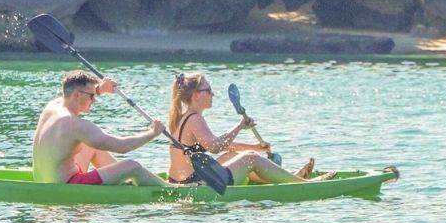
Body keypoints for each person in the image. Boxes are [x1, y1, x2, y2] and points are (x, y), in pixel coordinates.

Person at [167, 72, 334, 185]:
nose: (213, 94)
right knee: (251, 159)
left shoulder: (186, 118)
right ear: (196, 95)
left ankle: (286, 178)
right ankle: (302, 184)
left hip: (181, 181)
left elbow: (221, 145)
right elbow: (215, 147)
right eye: (208, 90)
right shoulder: (195, 119)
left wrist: (254, 147)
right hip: (194, 185)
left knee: (235, 155)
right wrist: (239, 127)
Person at [33, 70, 168, 187]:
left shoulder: (52, 106)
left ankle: (122, 180)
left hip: (44, 178)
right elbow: (122, 147)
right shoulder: (75, 124)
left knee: (91, 145)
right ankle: (171, 188)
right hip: (68, 184)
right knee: (133, 166)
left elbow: (73, 95)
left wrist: (99, 89)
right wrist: (153, 132)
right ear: (77, 95)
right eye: (91, 96)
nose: (94, 100)